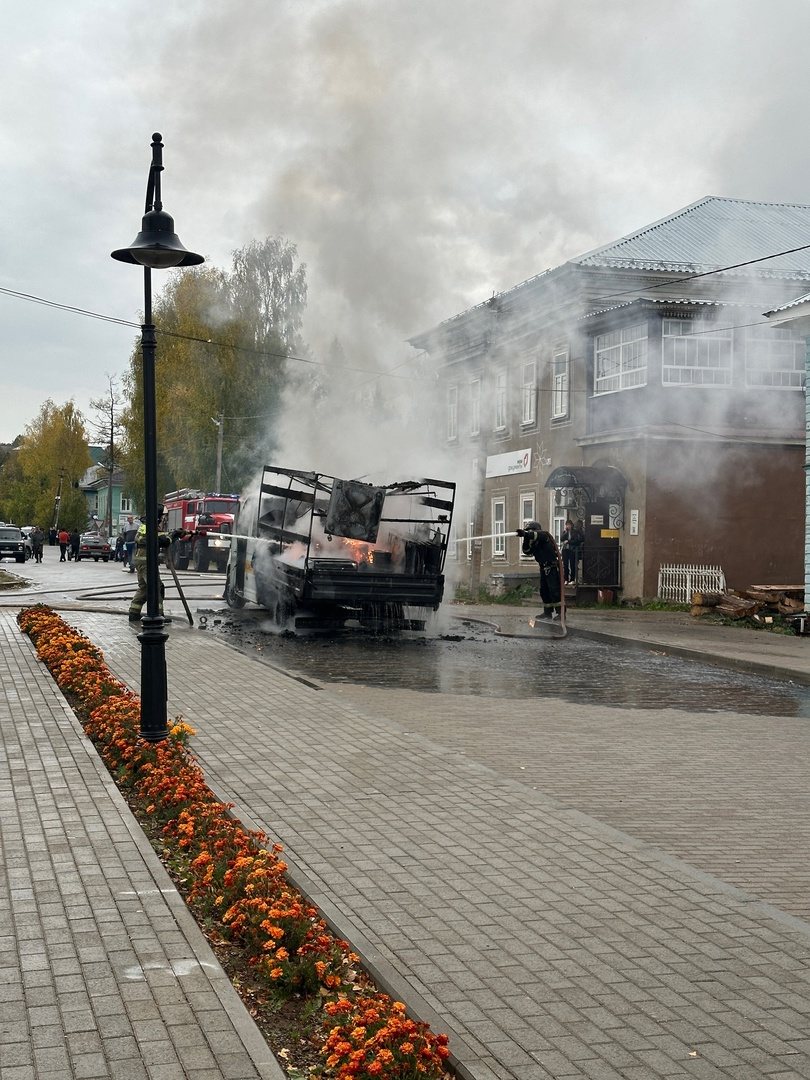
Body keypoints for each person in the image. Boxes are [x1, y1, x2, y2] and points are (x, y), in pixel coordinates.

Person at [129, 516, 191, 622]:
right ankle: (158, 615)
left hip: (141, 561)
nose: (161, 522)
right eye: (160, 520)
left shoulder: (144, 526)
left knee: (144, 588)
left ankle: (134, 613)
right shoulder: (151, 527)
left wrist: (174, 534)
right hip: (147, 562)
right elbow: (164, 541)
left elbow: (160, 537)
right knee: (156, 588)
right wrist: (174, 534)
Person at [517, 520, 561, 620]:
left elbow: (536, 535)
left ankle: (561, 613)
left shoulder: (544, 536)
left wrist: (526, 534)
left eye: (530, 531)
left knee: (555, 591)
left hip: (552, 568)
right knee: (544, 591)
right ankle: (547, 613)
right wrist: (526, 539)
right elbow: (527, 551)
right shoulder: (535, 543)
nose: (529, 532)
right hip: (543, 568)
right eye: (528, 531)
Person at [560, 518, 584, 586]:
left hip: (572, 550)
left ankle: (572, 579)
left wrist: (568, 541)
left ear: (571, 525)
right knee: (565, 565)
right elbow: (561, 539)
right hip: (565, 550)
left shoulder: (575, 532)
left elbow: (577, 541)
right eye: (566, 525)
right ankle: (566, 579)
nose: (568, 526)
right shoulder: (565, 532)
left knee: (572, 565)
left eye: (569, 525)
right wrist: (566, 532)